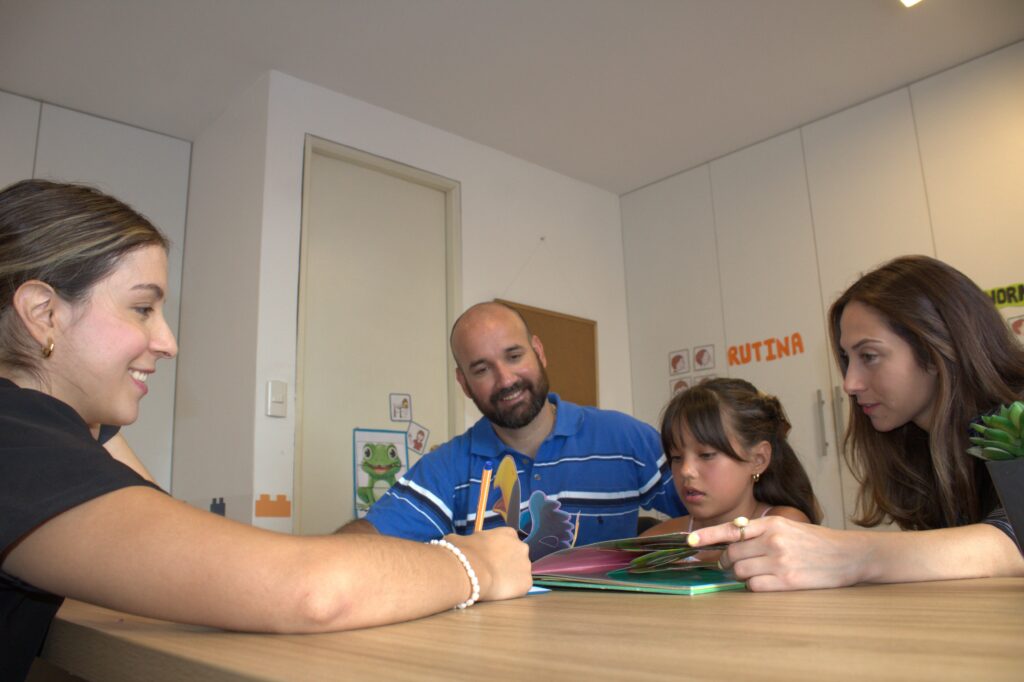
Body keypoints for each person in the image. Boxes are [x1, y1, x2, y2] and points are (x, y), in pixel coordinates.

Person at [0, 180, 531, 680]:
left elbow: (174, 554)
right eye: (142, 308)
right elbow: (307, 590)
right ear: (43, 312)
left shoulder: (57, 435)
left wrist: (97, 426)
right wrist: (476, 564)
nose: (167, 341)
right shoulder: (16, 438)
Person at [689, 255, 1024, 590]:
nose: (850, 383)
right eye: (848, 359)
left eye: (870, 356)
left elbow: (1015, 539)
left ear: (939, 347)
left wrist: (850, 555)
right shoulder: (918, 448)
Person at [341, 301, 686, 543]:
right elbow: (369, 540)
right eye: (482, 369)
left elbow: (721, 506)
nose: (505, 380)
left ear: (539, 351)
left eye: (514, 356)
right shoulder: (448, 468)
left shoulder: (625, 439)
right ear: (463, 383)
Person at [641, 378, 819, 554]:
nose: (686, 470)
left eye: (706, 455)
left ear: (758, 459)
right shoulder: (658, 542)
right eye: (676, 457)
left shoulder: (784, 529)